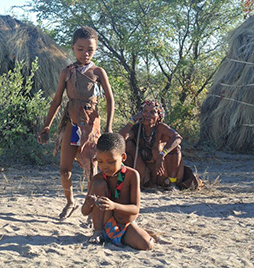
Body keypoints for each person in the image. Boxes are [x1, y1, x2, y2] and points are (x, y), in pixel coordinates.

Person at [37, 26, 114, 219]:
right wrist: (47, 125)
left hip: (90, 128)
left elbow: (110, 100)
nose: (85, 53)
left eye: (90, 49)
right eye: (80, 49)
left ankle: (91, 209)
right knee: (65, 170)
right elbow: (56, 100)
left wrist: (108, 127)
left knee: (91, 169)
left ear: (95, 49)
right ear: (73, 48)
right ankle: (70, 202)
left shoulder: (98, 72)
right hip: (72, 126)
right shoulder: (67, 72)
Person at [81, 133, 154, 250]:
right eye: (100, 162)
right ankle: (98, 232)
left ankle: (122, 238)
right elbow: (84, 212)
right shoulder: (97, 179)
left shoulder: (132, 175)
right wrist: (88, 204)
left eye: (111, 162)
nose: (105, 166)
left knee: (147, 245)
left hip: (124, 226)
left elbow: (135, 209)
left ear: (123, 157)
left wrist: (114, 206)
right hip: (104, 227)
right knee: (99, 185)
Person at [119, 100, 184, 189]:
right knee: (128, 145)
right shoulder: (137, 129)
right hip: (144, 172)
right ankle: (135, 181)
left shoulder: (160, 128)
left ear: (159, 116)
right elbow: (119, 139)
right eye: (145, 111)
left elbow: (177, 138)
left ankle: (172, 183)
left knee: (176, 148)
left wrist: (162, 154)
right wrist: (132, 120)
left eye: (152, 112)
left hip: (162, 172)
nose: (148, 115)